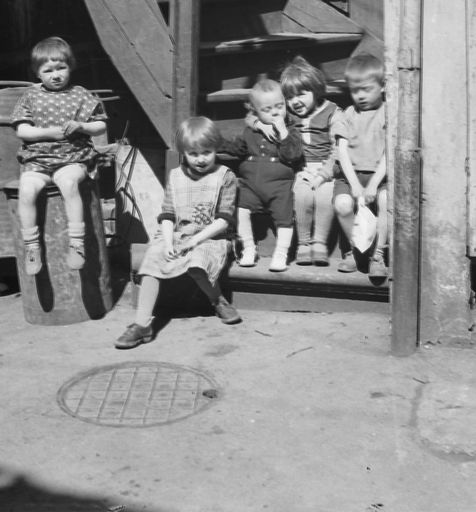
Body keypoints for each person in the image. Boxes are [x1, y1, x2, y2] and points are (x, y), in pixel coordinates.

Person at [115, 117, 241, 349]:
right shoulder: (175, 176)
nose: (200, 159)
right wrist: (168, 240)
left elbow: (224, 220)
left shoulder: (226, 177)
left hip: (211, 236)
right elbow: (168, 214)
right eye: (193, 153)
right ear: (184, 153)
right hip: (177, 233)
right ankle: (142, 325)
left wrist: (193, 241)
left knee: (197, 263)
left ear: (216, 149)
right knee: (153, 259)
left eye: (206, 152)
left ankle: (217, 300)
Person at [10, 37, 107, 275]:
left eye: (61, 68)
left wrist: (82, 126)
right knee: (27, 190)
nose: (56, 75)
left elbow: (101, 126)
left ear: (70, 66)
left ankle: (77, 243)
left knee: (68, 182)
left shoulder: (81, 95)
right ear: (37, 73)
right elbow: (21, 129)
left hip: (73, 157)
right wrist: (49, 133)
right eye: (48, 70)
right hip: (38, 159)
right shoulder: (31, 96)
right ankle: (32, 248)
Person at [218, 79, 304, 271]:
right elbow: (239, 148)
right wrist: (218, 143)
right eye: (267, 109)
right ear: (255, 112)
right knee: (240, 211)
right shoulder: (251, 130)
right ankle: (248, 247)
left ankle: (281, 253)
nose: (275, 112)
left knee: (284, 217)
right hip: (251, 185)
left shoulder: (291, 130)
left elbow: (292, 155)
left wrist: (283, 132)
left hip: (279, 185)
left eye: (279, 106)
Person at [280, 55, 343, 266]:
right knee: (302, 194)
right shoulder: (288, 114)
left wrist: (324, 174)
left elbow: (338, 149)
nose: (295, 101)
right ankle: (303, 243)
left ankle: (320, 243)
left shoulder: (333, 112)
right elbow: (258, 113)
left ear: (315, 90)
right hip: (302, 169)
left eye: (301, 94)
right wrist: (259, 124)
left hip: (329, 169)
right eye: (289, 97)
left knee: (325, 195)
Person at [333, 54, 388, 278]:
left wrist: (373, 185)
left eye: (366, 89)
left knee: (386, 201)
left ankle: (378, 254)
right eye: (355, 91)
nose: (360, 96)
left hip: (380, 177)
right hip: (351, 177)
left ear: (382, 86)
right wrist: (355, 186)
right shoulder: (347, 114)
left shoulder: (388, 113)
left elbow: (389, 153)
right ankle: (356, 250)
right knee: (343, 204)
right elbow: (342, 152)